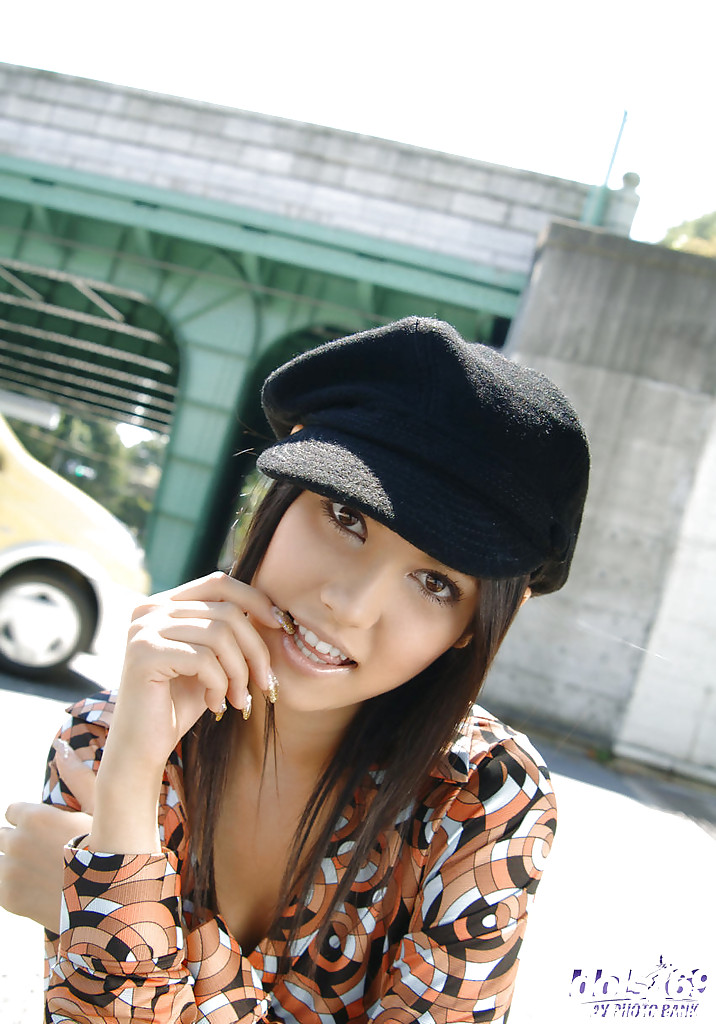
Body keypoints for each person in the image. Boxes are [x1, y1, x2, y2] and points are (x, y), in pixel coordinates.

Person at [0, 316, 589, 1023]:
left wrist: (117, 906)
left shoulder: (478, 793)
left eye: (435, 583)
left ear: (478, 626)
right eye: (345, 516)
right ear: (275, 503)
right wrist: (129, 780)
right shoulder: (108, 736)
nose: (351, 605)